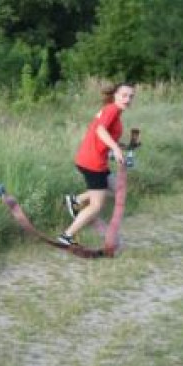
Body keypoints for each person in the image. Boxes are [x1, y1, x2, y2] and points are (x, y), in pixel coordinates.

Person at [59, 82, 136, 246]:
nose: (128, 99)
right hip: (93, 162)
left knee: (119, 189)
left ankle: (76, 200)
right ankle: (67, 236)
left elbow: (104, 135)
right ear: (115, 95)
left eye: (131, 96)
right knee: (96, 205)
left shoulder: (113, 111)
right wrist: (115, 148)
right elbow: (100, 130)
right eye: (124, 95)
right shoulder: (112, 109)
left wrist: (123, 146)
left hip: (94, 159)